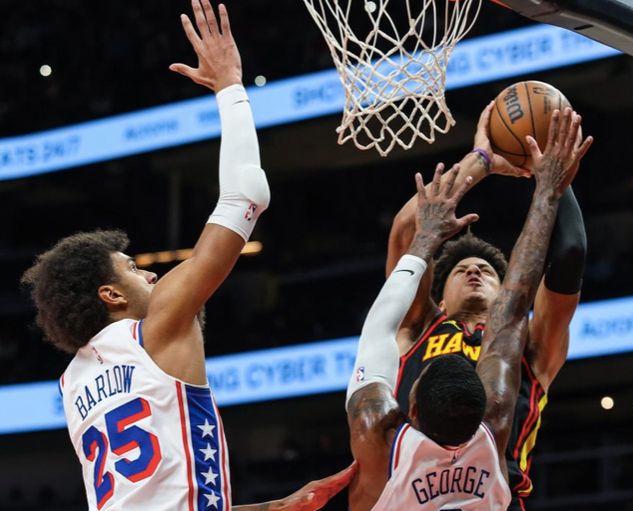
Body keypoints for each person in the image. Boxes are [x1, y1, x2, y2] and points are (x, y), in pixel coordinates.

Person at [21, 1, 354, 510]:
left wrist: (273, 507)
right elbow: (246, 196)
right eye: (133, 269)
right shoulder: (154, 327)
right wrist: (230, 89)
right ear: (110, 295)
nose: (152, 276)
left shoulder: (72, 385)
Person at [346, 108, 590, 511]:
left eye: (487, 271)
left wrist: (543, 168)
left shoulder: (532, 342)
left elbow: (570, 254)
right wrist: (495, 163)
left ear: (503, 292)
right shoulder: (421, 327)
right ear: (440, 301)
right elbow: (406, 232)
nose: (474, 271)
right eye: (461, 270)